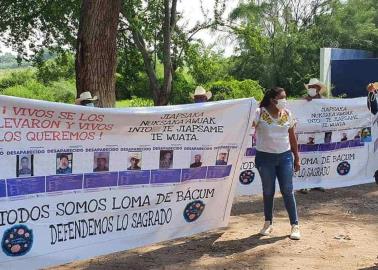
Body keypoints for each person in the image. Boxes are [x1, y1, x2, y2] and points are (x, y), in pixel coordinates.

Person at [253, 87, 301, 240]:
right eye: (282, 97)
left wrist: (297, 157)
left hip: (285, 157)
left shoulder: (288, 114)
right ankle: (268, 223)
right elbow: (245, 128)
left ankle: (295, 225)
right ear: (273, 100)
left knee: (287, 190)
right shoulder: (259, 113)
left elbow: (292, 137)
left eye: (285, 97)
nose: (285, 100)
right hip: (265, 158)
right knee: (268, 191)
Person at [301, 78, 327, 193]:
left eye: (314, 87)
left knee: (318, 160)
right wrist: (304, 102)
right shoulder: (303, 101)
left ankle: (317, 183)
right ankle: (303, 184)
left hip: (320, 134)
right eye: (310, 87)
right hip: (306, 134)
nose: (312, 89)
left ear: (318, 89)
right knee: (305, 159)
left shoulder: (325, 101)